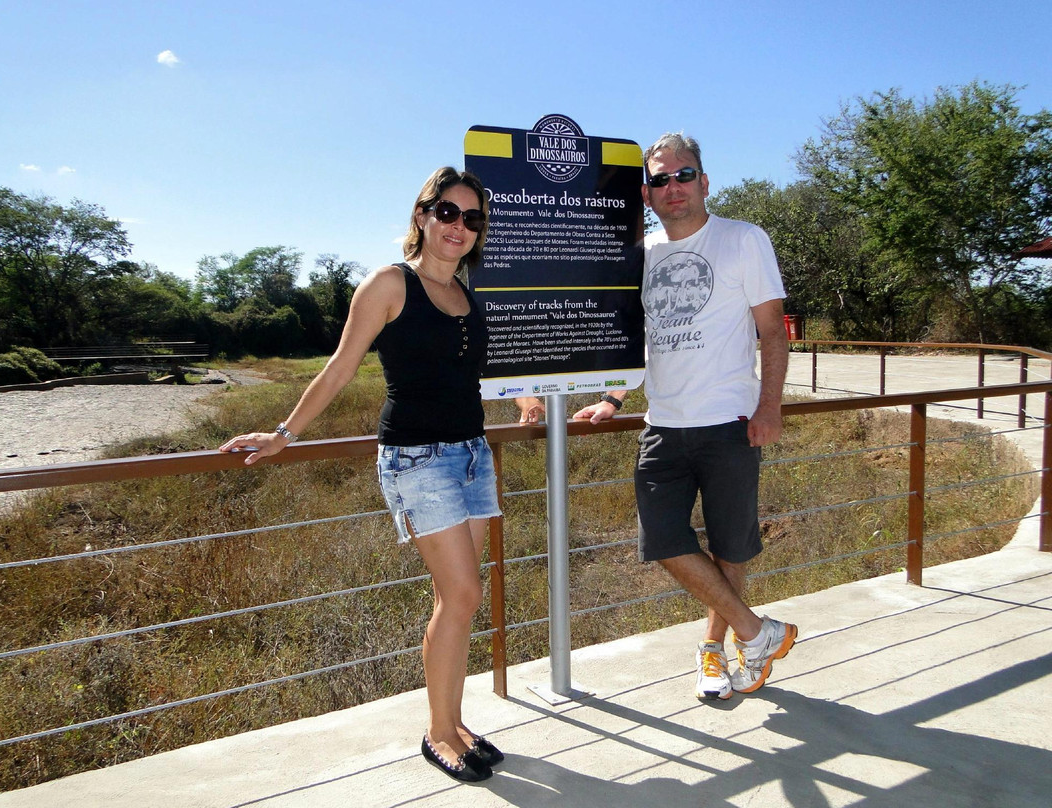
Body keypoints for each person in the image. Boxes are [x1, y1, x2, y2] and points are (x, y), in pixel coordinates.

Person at [219, 167, 510, 783]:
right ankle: (437, 733)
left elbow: (465, 374)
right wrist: (283, 435)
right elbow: (341, 366)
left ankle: (453, 720)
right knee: (463, 595)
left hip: (471, 455)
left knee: (454, 601)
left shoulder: (466, 293)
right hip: (416, 460)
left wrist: (525, 402)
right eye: (449, 213)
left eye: (474, 218)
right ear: (423, 215)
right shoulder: (389, 284)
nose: (461, 227)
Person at [572, 133, 797, 701]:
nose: (674, 186)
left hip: (730, 421)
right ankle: (758, 632)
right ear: (647, 194)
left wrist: (770, 405)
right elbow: (641, 339)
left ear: (704, 181)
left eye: (684, 174)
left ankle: (718, 654)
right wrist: (615, 398)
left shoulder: (743, 240)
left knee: (730, 547)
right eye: (661, 179)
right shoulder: (643, 254)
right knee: (663, 538)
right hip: (664, 425)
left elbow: (772, 330)